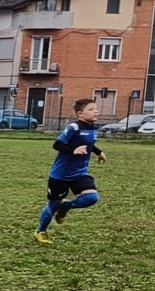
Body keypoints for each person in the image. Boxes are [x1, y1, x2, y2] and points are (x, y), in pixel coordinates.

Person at [35, 98, 105, 244]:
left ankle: (66, 206)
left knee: (92, 198)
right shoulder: (73, 127)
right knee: (52, 205)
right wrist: (73, 150)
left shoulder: (93, 128)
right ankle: (40, 231)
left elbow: (88, 144)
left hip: (80, 173)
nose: (96, 111)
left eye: (96, 109)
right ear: (80, 114)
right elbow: (57, 144)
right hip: (60, 175)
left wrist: (98, 152)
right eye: (91, 109)